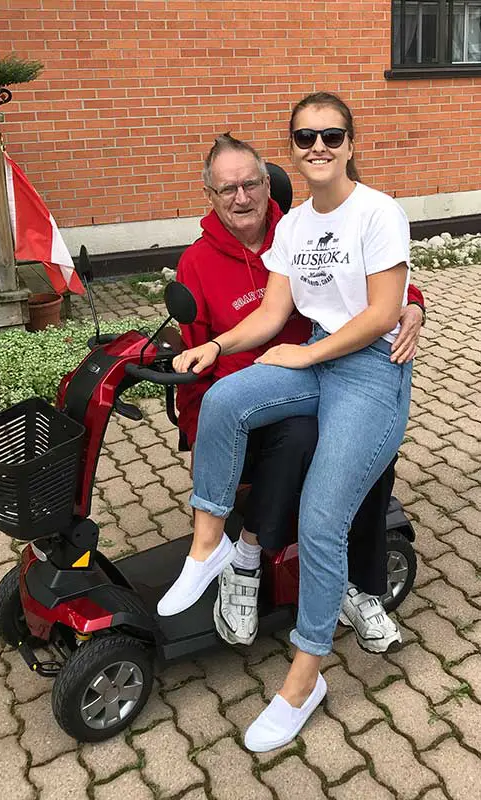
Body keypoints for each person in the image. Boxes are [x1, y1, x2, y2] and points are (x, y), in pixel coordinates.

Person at [159, 92, 415, 753]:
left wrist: (309, 351)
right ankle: (208, 546)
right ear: (294, 151)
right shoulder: (295, 224)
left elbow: (383, 311)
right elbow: (272, 316)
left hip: (366, 373)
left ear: (351, 144)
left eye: (331, 135)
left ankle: (304, 680)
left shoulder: (378, 212)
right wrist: (217, 346)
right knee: (223, 400)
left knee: (322, 521)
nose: (318, 147)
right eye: (305, 137)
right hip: (314, 364)